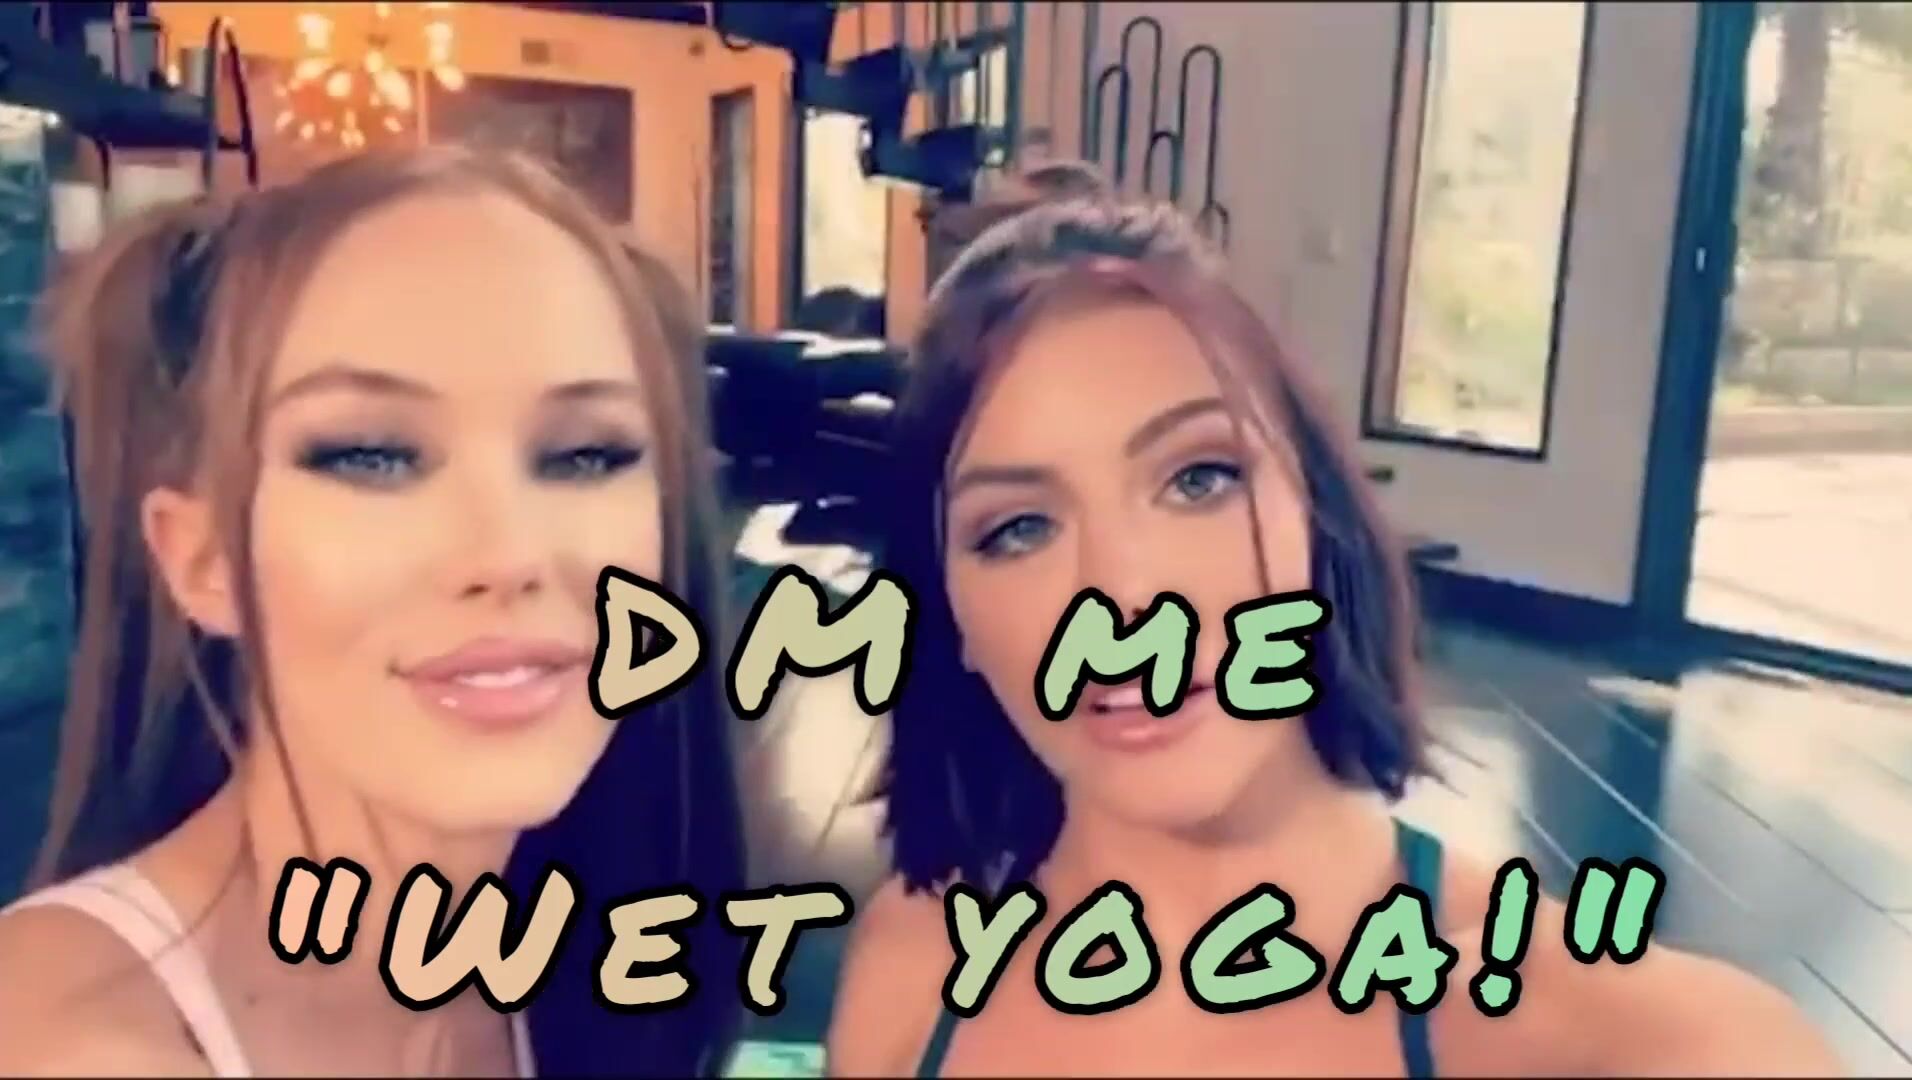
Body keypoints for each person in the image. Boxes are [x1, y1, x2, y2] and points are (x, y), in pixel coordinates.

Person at [825, 195, 1841, 1077]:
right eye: (1016, 529)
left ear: (1317, 514)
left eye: (1199, 478)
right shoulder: (912, 968)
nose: (1124, 599)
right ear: (952, 616)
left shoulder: (1654, 1044)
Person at [0, 146, 745, 1077]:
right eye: (371, 456)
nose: (509, 554)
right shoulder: (75, 1050)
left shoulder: (578, 952)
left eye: (586, 455)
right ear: (203, 558)